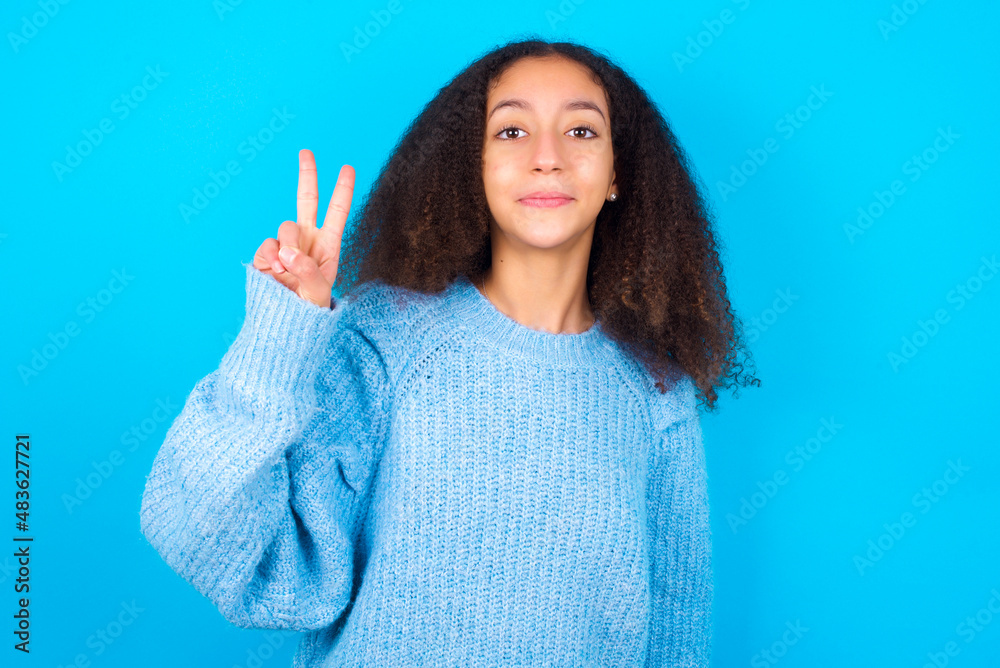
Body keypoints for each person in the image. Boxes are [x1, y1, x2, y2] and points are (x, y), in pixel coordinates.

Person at [139, 38, 758, 668]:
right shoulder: (391, 337)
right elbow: (213, 544)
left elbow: (676, 639)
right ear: (475, 165)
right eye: (512, 130)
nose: (547, 157)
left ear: (618, 172)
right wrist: (276, 339)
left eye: (580, 130)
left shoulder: (655, 390)